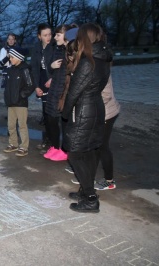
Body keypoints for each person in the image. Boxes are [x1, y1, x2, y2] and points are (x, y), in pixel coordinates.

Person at [62, 23, 112, 213]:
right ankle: (85, 190)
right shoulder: (103, 58)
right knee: (89, 151)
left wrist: (65, 114)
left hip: (85, 110)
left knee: (75, 152)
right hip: (96, 107)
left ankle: (90, 197)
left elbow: (74, 92)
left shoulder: (87, 61)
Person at [43, 25, 77, 162]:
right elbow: (52, 70)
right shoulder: (57, 50)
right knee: (50, 118)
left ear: (66, 36)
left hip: (64, 91)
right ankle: (55, 146)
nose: (54, 37)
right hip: (55, 89)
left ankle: (64, 150)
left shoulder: (71, 52)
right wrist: (51, 68)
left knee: (64, 122)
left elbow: (69, 74)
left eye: (58, 35)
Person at [2, 47, 35, 157]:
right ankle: (13, 143)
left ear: (18, 58)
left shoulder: (25, 69)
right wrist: (7, 96)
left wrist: (21, 96)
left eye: (12, 57)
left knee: (22, 125)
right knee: (10, 125)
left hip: (20, 104)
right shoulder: (10, 69)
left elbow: (30, 86)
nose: (10, 59)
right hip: (11, 103)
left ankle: (24, 146)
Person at [94, 75, 120, 190]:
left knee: (102, 146)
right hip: (99, 112)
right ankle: (88, 175)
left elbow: (106, 94)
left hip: (106, 113)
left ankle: (109, 181)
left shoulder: (100, 66)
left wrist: (89, 106)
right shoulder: (93, 64)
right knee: (95, 145)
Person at [31, 24, 54, 152]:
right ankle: (47, 141)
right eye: (45, 35)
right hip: (42, 81)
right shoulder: (36, 48)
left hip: (54, 82)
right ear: (39, 36)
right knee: (45, 113)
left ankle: (55, 143)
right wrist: (36, 86)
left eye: (50, 34)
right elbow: (34, 68)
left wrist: (53, 78)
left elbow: (61, 68)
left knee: (53, 115)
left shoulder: (55, 47)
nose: (48, 37)